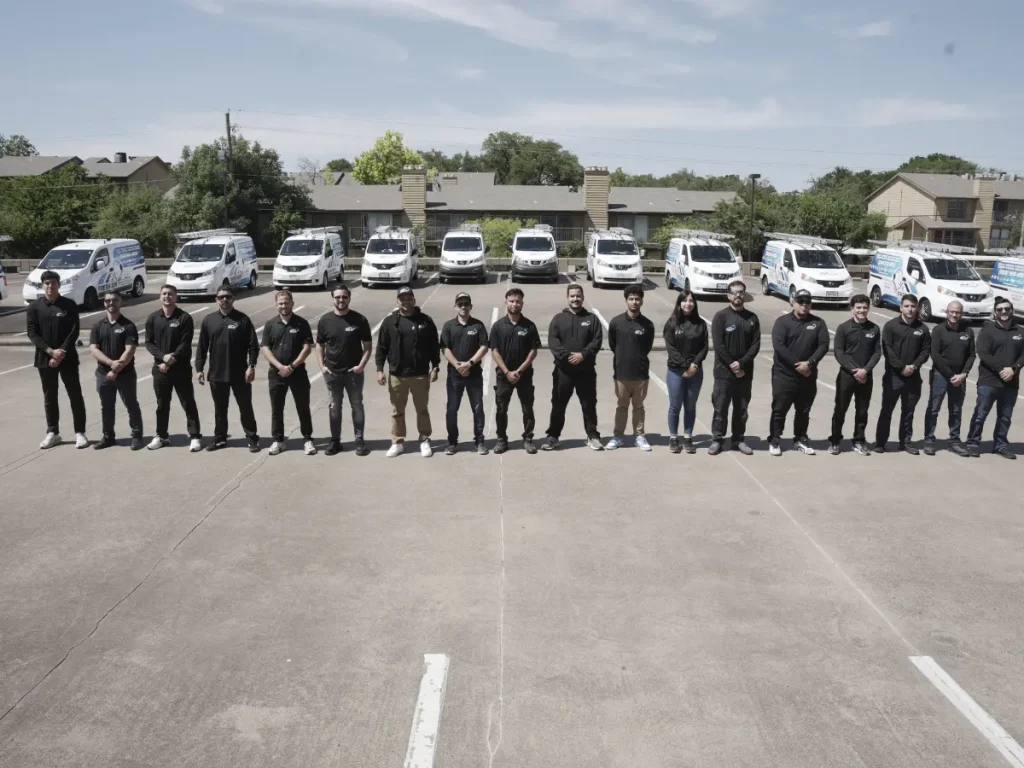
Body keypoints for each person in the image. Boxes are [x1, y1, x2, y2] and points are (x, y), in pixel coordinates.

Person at [25, 270, 88, 449]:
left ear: (59, 285)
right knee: (49, 396)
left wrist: (61, 352)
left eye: (53, 283)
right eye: (47, 283)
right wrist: (50, 351)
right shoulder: (34, 307)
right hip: (44, 359)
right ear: (42, 285)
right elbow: (32, 333)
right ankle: (53, 432)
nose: (50, 286)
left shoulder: (69, 305)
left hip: (67, 358)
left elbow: (74, 331)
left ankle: (80, 432)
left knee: (75, 394)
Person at [375, 286, 440, 458]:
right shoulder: (389, 322)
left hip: (420, 374)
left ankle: (425, 439)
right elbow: (381, 347)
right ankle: (398, 442)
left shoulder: (425, 321)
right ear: (397, 301)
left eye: (409, 298)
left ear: (414, 300)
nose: (406, 301)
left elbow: (434, 346)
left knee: (422, 409)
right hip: (397, 375)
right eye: (402, 298)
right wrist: (379, 370)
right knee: (397, 410)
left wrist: (436, 366)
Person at [195, 286, 261, 453]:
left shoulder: (243, 319)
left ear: (233, 299)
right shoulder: (209, 320)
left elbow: (253, 346)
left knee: (245, 406)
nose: (225, 299)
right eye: (221, 297)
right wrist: (199, 369)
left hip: (240, 373)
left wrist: (251, 366)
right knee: (220, 409)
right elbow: (202, 347)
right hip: (217, 374)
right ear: (216, 300)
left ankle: (252, 438)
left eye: (228, 297)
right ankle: (220, 439)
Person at [768, 289, 830, 456]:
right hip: (784, 375)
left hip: (808, 376)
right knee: (779, 410)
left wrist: (809, 363)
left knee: (803, 410)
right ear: (793, 302)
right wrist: (798, 365)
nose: (804, 304)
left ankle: (800, 439)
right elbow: (779, 346)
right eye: (800, 301)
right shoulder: (782, 322)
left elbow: (823, 345)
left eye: (807, 302)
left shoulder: (818, 323)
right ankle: (775, 439)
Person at [543, 283, 603, 451]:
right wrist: (569, 357)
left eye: (578, 296)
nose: (575, 299)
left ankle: (592, 436)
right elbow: (553, 342)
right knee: (558, 404)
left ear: (583, 298)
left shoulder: (592, 319)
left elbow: (597, 341)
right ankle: (553, 437)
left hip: (586, 372)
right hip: (564, 372)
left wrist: (583, 355)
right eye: (572, 296)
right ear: (567, 298)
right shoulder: (558, 319)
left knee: (589, 404)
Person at [145, 284, 202, 452]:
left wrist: (170, 360)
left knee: (188, 402)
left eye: (170, 294)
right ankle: (161, 436)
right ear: (160, 297)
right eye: (164, 294)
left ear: (176, 297)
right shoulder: (153, 318)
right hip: (160, 369)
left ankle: (194, 436)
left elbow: (185, 344)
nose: (167, 297)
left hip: (181, 369)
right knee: (162, 404)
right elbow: (149, 342)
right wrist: (162, 358)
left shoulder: (184, 318)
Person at [965, 297, 1024, 459]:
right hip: (989, 381)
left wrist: (1014, 369)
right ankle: (972, 443)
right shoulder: (987, 330)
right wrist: (1001, 370)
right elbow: (983, 353)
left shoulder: (1020, 331)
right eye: (1000, 310)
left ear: (1012, 310)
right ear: (995, 312)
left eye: (1006, 309)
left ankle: (1000, 445)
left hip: (1011, 382)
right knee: (980, 415)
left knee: (1005, 417)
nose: (1003, 312)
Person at [316, 284, 371, 456]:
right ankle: (335, 441)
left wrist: (361, 365)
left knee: (357, 406)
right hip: (332, 373)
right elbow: (319, 345)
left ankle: (359, 440)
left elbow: (368, 346)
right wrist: (322, 366)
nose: (341, 300)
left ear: (349, 298)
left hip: (353, 373)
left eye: (344, 297)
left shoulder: (359, 320)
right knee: (335, 407)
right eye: (338, 297)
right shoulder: (325, 321)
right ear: (333, 299)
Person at [261, 290, 315, 456]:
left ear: (292, 303)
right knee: (277, 409)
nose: (284, 306)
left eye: (286, 302)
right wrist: (280, 367)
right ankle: (278, 440)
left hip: (297, 373)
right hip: (276, 374)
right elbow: (265, 348)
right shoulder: (270, 324)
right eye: (280, 303)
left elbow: (307, 348)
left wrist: (291, 366)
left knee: (303, 407)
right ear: (276, 305)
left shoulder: (302, 324)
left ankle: (307, 439)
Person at [874, 294, 931, 454]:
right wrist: (901, 368)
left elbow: (925, 351)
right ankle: (880, 442)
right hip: (893, 377)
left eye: (913, 306)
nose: (910, 309)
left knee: (908, 412)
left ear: (917, 307)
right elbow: (888, 350)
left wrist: (914, 366)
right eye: (907, 306)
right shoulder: (891, 326)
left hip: (913, 377)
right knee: (887, 410)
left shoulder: (922, 329)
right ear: (901, 307)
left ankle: (905, 442)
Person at [709, 280, 760, 455]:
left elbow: (755, 345)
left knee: (741, 410)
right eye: (734, 292)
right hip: (724, 373)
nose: (738, 295)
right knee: (720, 408)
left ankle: (738, 439)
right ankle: (717, 440)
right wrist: (733, 365)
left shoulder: (752, 318)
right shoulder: (720, 316)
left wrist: (742, 363)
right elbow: (718, 345)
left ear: (744, 295)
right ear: (728, 295)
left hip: (745, 374)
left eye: (741, 292)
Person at [88, 291, 144, 450]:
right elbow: (94, 349)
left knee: (131, 405)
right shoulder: (98, 326)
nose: (111, 303)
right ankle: (108, 437)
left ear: (121, 302)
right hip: (103, 374)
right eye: (107, 301)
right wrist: (110, 363)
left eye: (115, 300)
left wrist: (117, 368)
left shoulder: (128, 326)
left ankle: (137, 436)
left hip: (125, 374)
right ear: (104, 303)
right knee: (106, 407)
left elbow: (130, 350)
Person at [490, 287, 541, 455]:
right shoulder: (498, 326)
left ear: (522, 303)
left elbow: (533, 351)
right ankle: (501, 440)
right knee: (501, 409)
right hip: (504, 377)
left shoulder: (529, 325)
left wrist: (519, 371)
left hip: (524, 376)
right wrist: (507, 372)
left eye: (518, 301)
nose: (515, 304)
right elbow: (495, 351)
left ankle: (528, 439)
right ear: (506, 303)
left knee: (527, 408)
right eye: (511, 301)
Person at [828, 294, 881, 456]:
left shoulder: (874, 329)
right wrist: (854, 370)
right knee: (840, 409)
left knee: (862, 411)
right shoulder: (844, 328)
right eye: (858, 307)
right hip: (847, 376)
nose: (862, 310)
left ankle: (859, 440)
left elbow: (877, 353)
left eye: (865, 307)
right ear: (852, 309)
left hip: (866, 376)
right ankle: (835, 440)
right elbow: (839, 353)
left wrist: (865, 370)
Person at [606, 284, 656, 451]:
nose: (634, 302)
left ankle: (639, 436)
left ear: (642, 301)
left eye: (637, 299)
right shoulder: (616, 322)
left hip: (640, 374)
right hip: (621, 373)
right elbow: (613, 345)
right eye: (631, 299)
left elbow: (647, 347)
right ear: (626, 300)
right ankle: (618, 436)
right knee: (621, 406)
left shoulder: (647, 325)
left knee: (639, 407)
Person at [440, 292, 490, 455]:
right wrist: (457, 365)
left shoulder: (478, 325)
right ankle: (452, 442)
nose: (463, 307)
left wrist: (469, 364)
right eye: (460, 304)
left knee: (477, 408)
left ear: (471, 306)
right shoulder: (449, 326)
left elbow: (484, 347)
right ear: (455, 306)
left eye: (466, 304)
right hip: (454, 376)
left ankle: (480, 441)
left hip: (474, 374)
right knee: (452, 409)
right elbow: (444, 348)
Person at [923, 300, 974, 457]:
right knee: (934, 408)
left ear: (961, 313)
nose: (954, 314)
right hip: (941, 376)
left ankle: (954, 442)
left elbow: (971, 355)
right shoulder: (939, 330)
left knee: (956, 410)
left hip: (960, 377)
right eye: (952, 311)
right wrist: (951, 375)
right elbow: (935, 355)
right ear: (947, 312)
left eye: (957, 312)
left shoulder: (968, 331)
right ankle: (929, 441)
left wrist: (964, 374)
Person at [664, 289, 708, 455]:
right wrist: (684, 366)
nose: (688, 304)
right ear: (679, 303)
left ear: (694, 303)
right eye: (685, 301)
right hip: (676, 371)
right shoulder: (672, 323)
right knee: (675, 406)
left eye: (691, 301)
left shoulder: (701, 324)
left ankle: (688, 437)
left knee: (690, 406)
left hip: (695, 371)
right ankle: (674, 438)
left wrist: (694, 365)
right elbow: (671, 348)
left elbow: (704, 347)